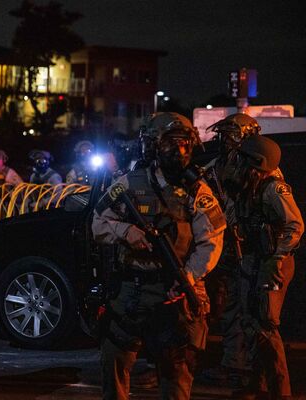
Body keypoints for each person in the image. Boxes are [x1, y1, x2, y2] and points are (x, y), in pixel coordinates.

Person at [92, 112, 225, 400]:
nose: (177, 151)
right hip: (133, 290)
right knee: (114, 361)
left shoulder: (197, 190)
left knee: (176, 373)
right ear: (153, 145)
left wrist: (188, 275)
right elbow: (98, 223)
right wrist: (127, 232)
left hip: (175, 291)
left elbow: (211, 241)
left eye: (183, 143)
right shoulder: (129, 183)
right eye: (169, 143)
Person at [227, 135, 303, 400]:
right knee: (251, 322)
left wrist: (277, 259)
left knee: (265, 325)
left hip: (273, 262)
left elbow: (295, 226)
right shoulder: (249, 186)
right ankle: (258, 384)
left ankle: (280, 391)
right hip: (255, 259)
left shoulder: (273, 188)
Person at [200, 113, 264, 387]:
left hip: (249, 249)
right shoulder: (218, 165)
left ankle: (248, 367)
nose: (223, 140)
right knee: (228, 306)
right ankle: (233, 363)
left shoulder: (258, 166)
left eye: (229, 135)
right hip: (225, 245)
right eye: (222, 135)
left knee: (249, 309)